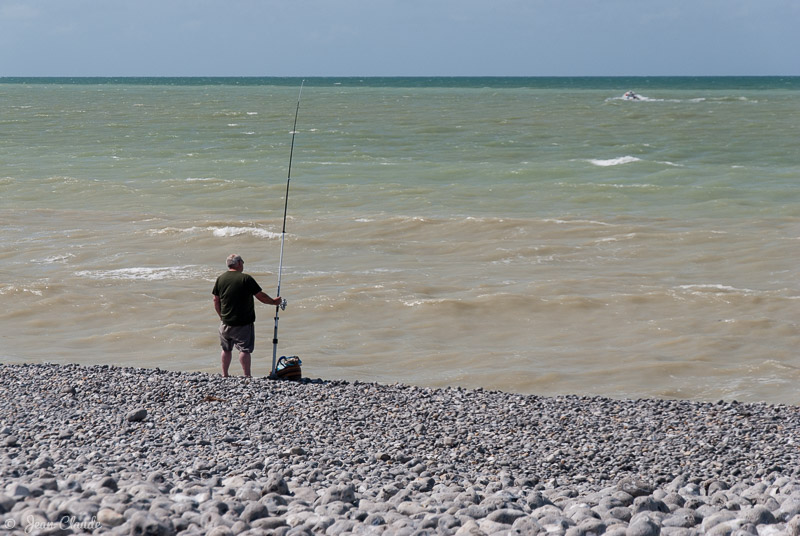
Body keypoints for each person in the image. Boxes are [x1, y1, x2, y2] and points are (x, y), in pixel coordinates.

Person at [212, 254, 282, 377]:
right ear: (238, 263)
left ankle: (225, 375)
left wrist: (221, 316)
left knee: (226, 349)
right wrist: (274, 302)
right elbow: (261, 296)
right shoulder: (246, 279)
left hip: (225, 322)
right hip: (242, 323)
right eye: (242, 262)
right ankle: (247, 376)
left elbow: (215, 300)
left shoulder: (220, 278)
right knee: (244, 350)